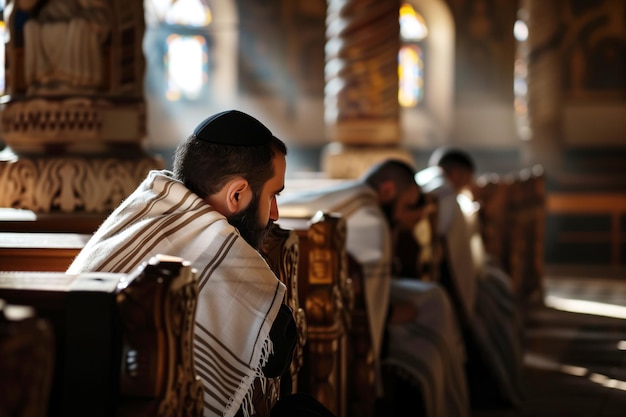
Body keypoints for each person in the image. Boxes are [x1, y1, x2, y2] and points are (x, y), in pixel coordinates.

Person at [67, 110, 335, 417]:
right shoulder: (226, 254)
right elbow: (276, 354)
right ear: (237, 194)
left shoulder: (140, 209)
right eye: (273, 195)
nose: (274, 213)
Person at [278, 159, 470, 417]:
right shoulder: (373, 220)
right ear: (388, 190)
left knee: (431, 299)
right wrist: (390, 313)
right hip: (341, 329)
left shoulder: (352, 197)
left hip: (315, 303)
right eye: (407, 206)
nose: (406, 215)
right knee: (431, 314)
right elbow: (370, 311)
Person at [416, 146, 524, 408]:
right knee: (496, 300)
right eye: (466, 178)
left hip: (429, 274)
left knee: (495, 289)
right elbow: (441, 236)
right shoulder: (445, 193)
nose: (468, 185)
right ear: (457, 172)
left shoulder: (425, 182)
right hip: (441, 280)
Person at [19, 0, 112, 94]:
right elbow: (25, 5)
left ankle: (77, 84)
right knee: (30, 27)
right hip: (49, 18)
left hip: (80, 16)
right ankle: (41, 82)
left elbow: (97, 7)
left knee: (79, 25)